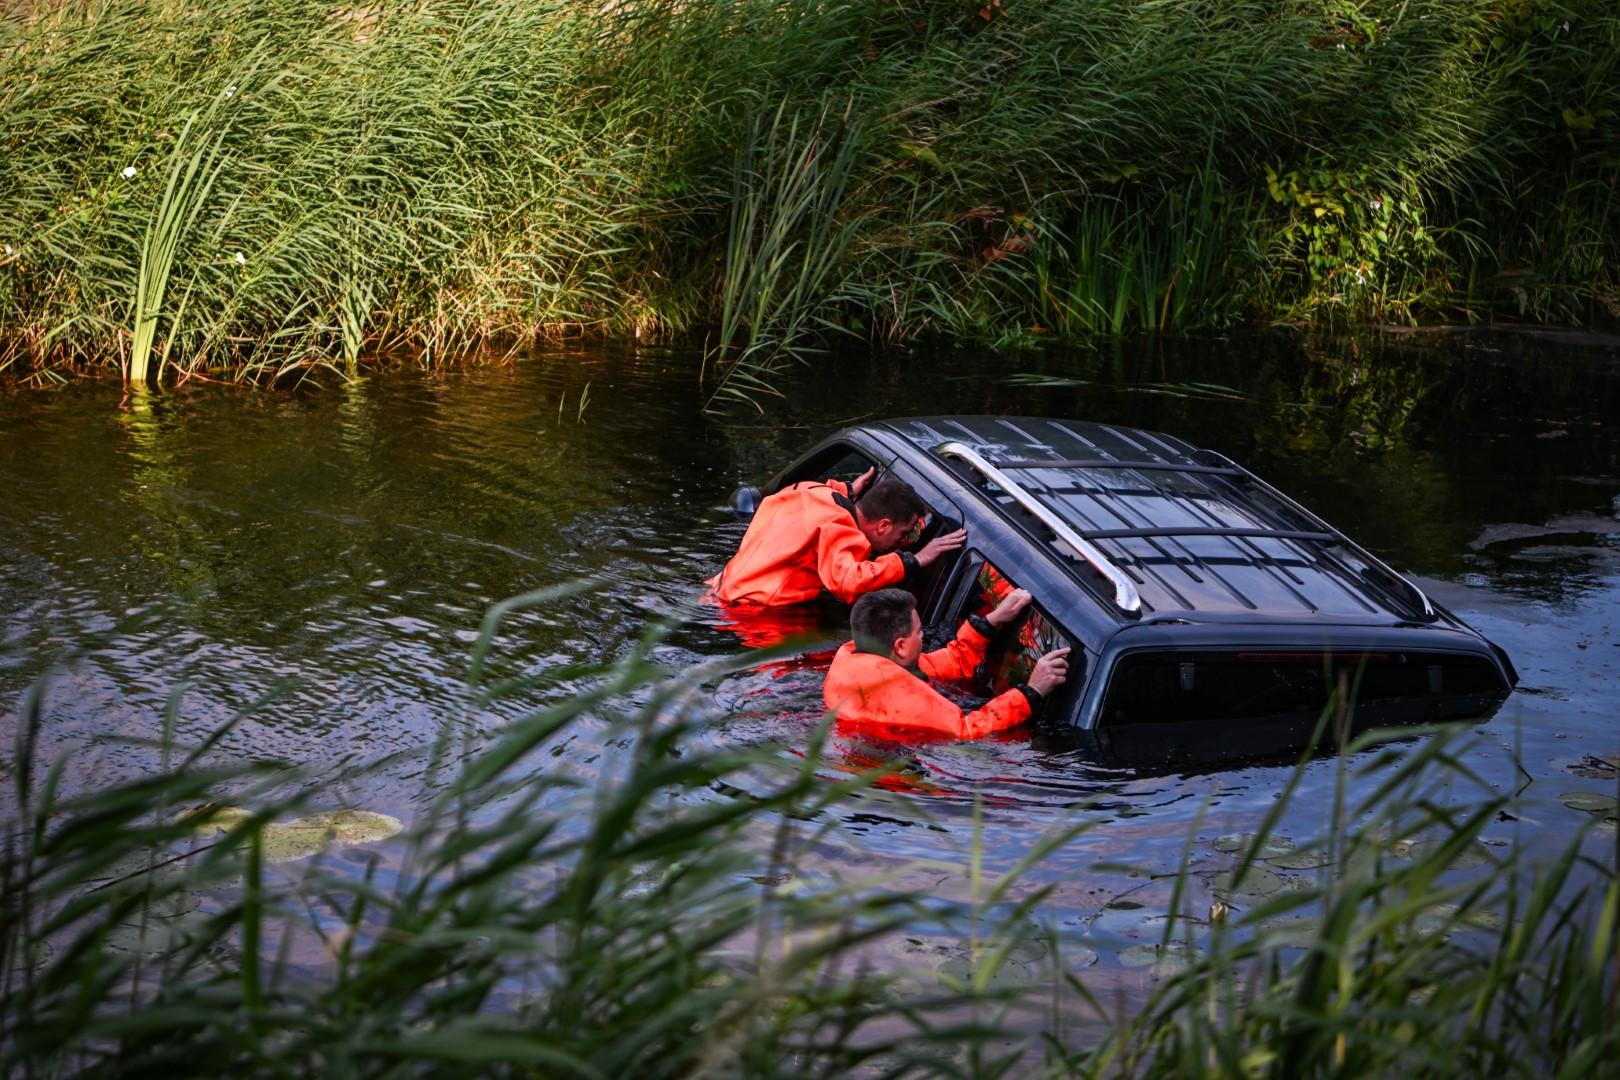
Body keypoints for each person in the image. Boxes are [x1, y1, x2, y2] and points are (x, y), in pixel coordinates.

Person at [823, 587, 1070, 740]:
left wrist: (991, 621)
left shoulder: (858, 658)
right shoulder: (901, 694)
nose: (923, 638)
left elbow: (952, 662)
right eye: (919, 633)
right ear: (900, 645)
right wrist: (1031, 692)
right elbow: (967, 731)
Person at [709, 467, 966, 607]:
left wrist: (849, 489)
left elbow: (814, 491)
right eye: (901, 533)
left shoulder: (812, 491)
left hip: (718, 588)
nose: (901, 541)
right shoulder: (841, 528)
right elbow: (847, 582)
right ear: (883, 526)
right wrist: (914, 560)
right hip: (753, 614)